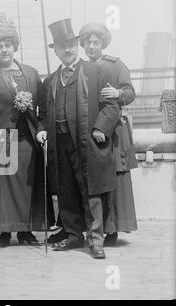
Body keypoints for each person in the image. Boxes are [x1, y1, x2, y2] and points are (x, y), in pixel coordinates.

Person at [41, 19, 120, 259]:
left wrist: (100, 128)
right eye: (61, 46)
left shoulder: (96, 71)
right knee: (66, 190)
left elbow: (111, 105)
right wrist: (41, 128)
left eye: (71, 45)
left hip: (87, 141)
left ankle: (96, 240)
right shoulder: (50, 81)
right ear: (55, 50)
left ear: (77, 45)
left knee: (91, 190)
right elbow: (44, 114)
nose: (67, 50)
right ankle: (74, 235)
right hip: (60, 142)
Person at [0, 22, 49, 249]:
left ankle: (26, 232)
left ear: (15, 47)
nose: (4, 50)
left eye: (8, 45)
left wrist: (42, 129)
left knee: (27, 187)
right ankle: (4, 232)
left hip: (27, 140)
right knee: (2, 189)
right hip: (1, 140)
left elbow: (44, 106)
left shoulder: (31, 74)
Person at [79, 23, 137, 245]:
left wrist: (119, 92)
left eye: (96, 42)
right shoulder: (80, 67)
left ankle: (112, 229)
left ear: (103, 43)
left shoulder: (116, 65)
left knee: (114, 176)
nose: (92, 46)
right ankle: (92, 227)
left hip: (113, 133)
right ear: (82, 44)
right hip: (88, 130)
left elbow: (131, 92)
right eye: (88, 42)